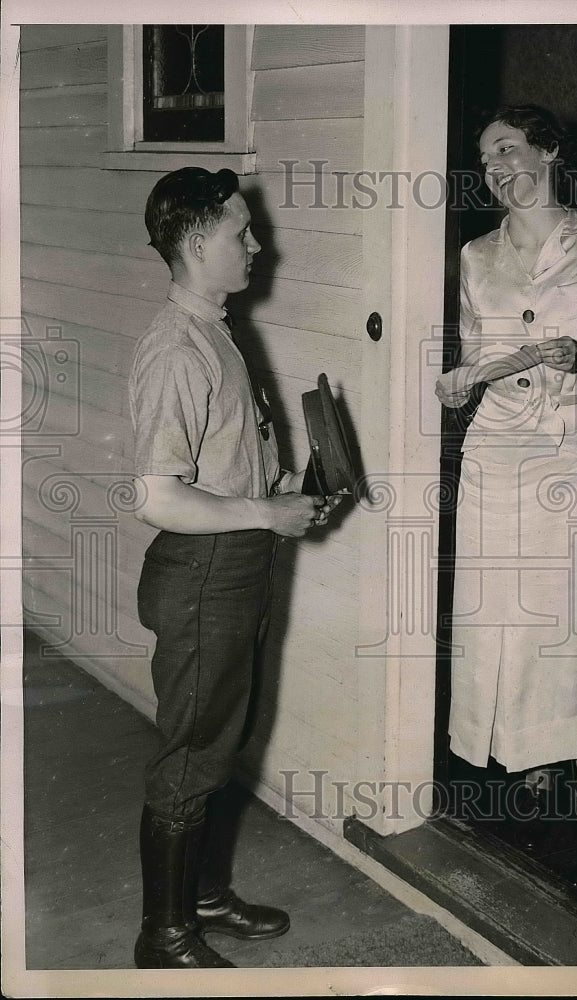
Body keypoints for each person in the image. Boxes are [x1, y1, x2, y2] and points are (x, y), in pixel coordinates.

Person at [128, 167, 341, 968]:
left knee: (221, 739)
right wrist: (262, 513)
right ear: (193, 245)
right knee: (190, 752)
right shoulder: (176, 350)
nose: (257, 245)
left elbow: (220, 464)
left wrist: (279, 491)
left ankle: (203, 897)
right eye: (239, 234)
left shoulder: (216, 328)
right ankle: (164, 934)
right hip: (202, 573)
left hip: (236, 563)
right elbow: (155, 495)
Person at [436, 106, 577, 884]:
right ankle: (531, 750)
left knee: (575, 604)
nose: (494, 165)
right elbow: (470, 363)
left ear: (549, 151)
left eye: (507, 149)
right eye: (484, 156)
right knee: (504, 606)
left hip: (572, 442)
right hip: (497, 443)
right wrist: (459, 383)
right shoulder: (474, 255)